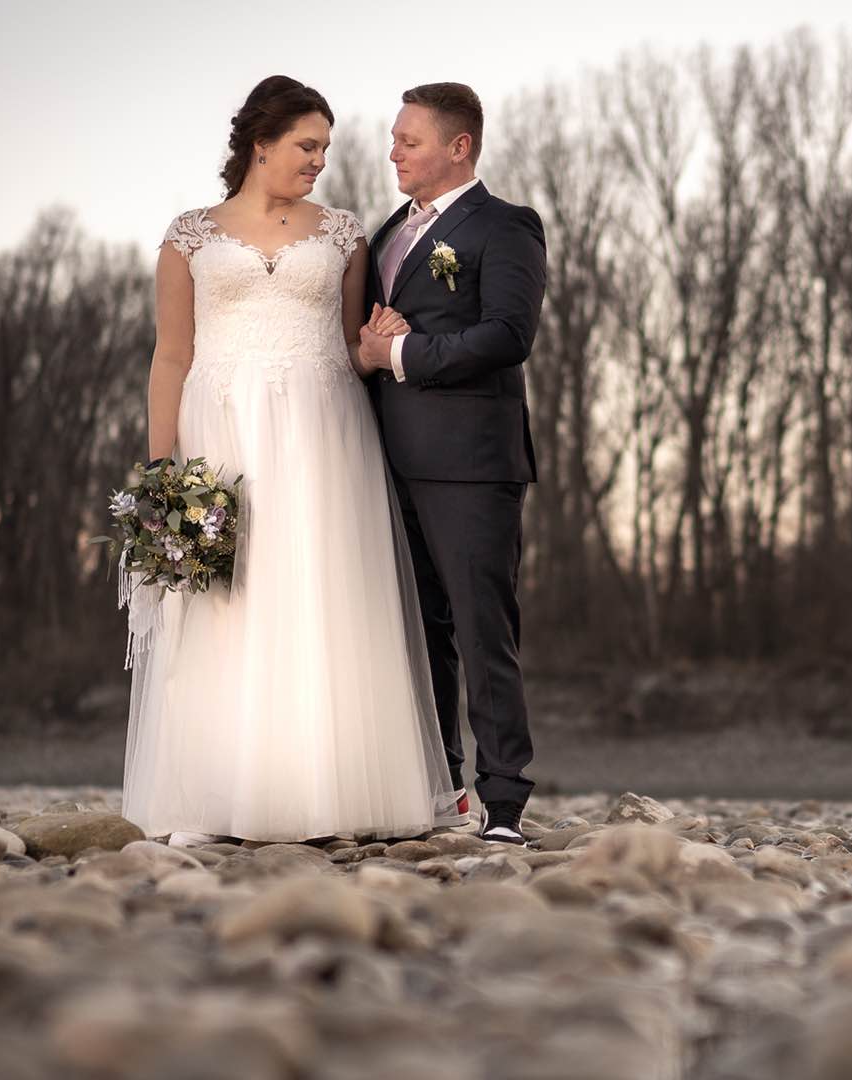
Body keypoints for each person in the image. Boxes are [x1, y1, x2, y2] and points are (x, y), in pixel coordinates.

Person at [121, 75, 458, 846]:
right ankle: (215, 797)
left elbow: (348, 345)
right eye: (307, 146)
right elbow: (170, 357)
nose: (319, 162)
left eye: (326, 149)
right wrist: (163, 473)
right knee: (225, 604)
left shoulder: (343, 233)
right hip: (221, 428)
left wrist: (381, 346)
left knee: (318, 593)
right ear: (260, 142)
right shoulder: (189, 236)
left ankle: (328, 792)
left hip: (322, 428)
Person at [357, 82, 547, 846]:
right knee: (419, 631)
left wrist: (400, 351)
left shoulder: (505, 227)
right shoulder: (387, 235)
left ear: (458, 146)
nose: (393, 151)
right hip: (388, 462)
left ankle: (503, 801)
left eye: (409, 139)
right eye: (394, 139)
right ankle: (443, 787)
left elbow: (506, 334)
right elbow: (365, 335)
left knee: (480, 629)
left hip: (472, 465)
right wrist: (371, 351)